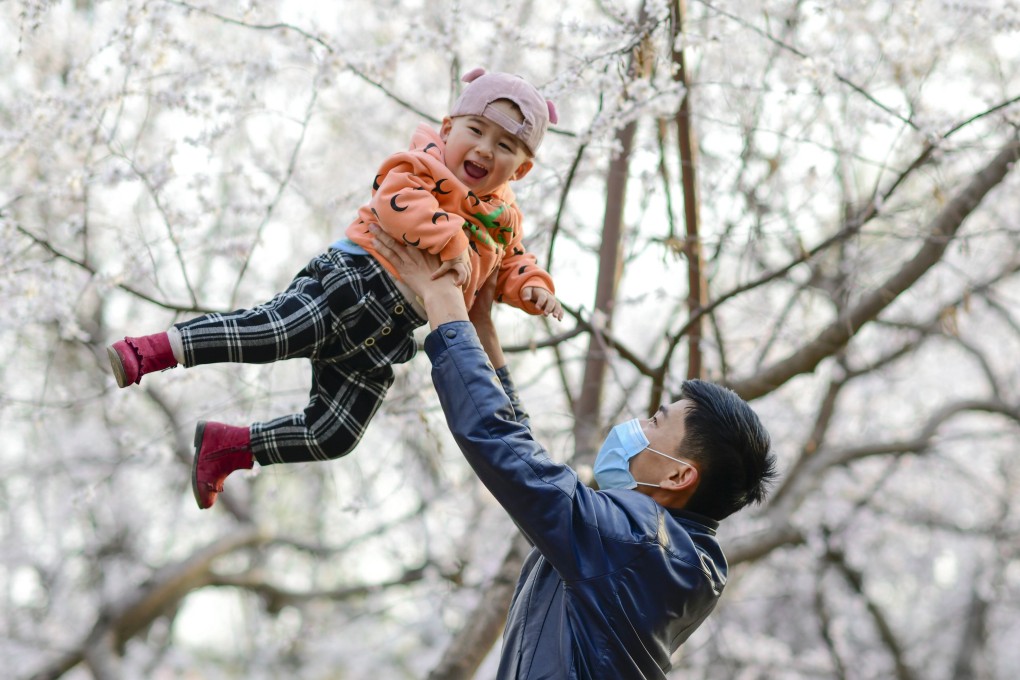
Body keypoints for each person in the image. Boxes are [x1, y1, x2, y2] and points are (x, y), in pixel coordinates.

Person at [106, 68, 564, 509]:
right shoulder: (422, 163)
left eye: (504, 146)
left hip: (388, 336)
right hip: (353, 284)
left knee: (335, 434)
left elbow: (512, 263)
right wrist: (450, 237)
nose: (484, 150)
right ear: (447, 129)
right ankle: (153, 350)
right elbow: (396, 201)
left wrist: (533, 289)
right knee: (271, 333)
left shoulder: (503, 220)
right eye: (476, 131)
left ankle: (230, 448)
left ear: (520, 171)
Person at [369, 226, 778, 678]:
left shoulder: (636, 542)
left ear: (679, 476)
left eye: (655, 422)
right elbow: (527, 464)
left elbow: (504, 449)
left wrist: (440, 302)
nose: (637, 424)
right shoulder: (659, 554)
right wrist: (481, 327)